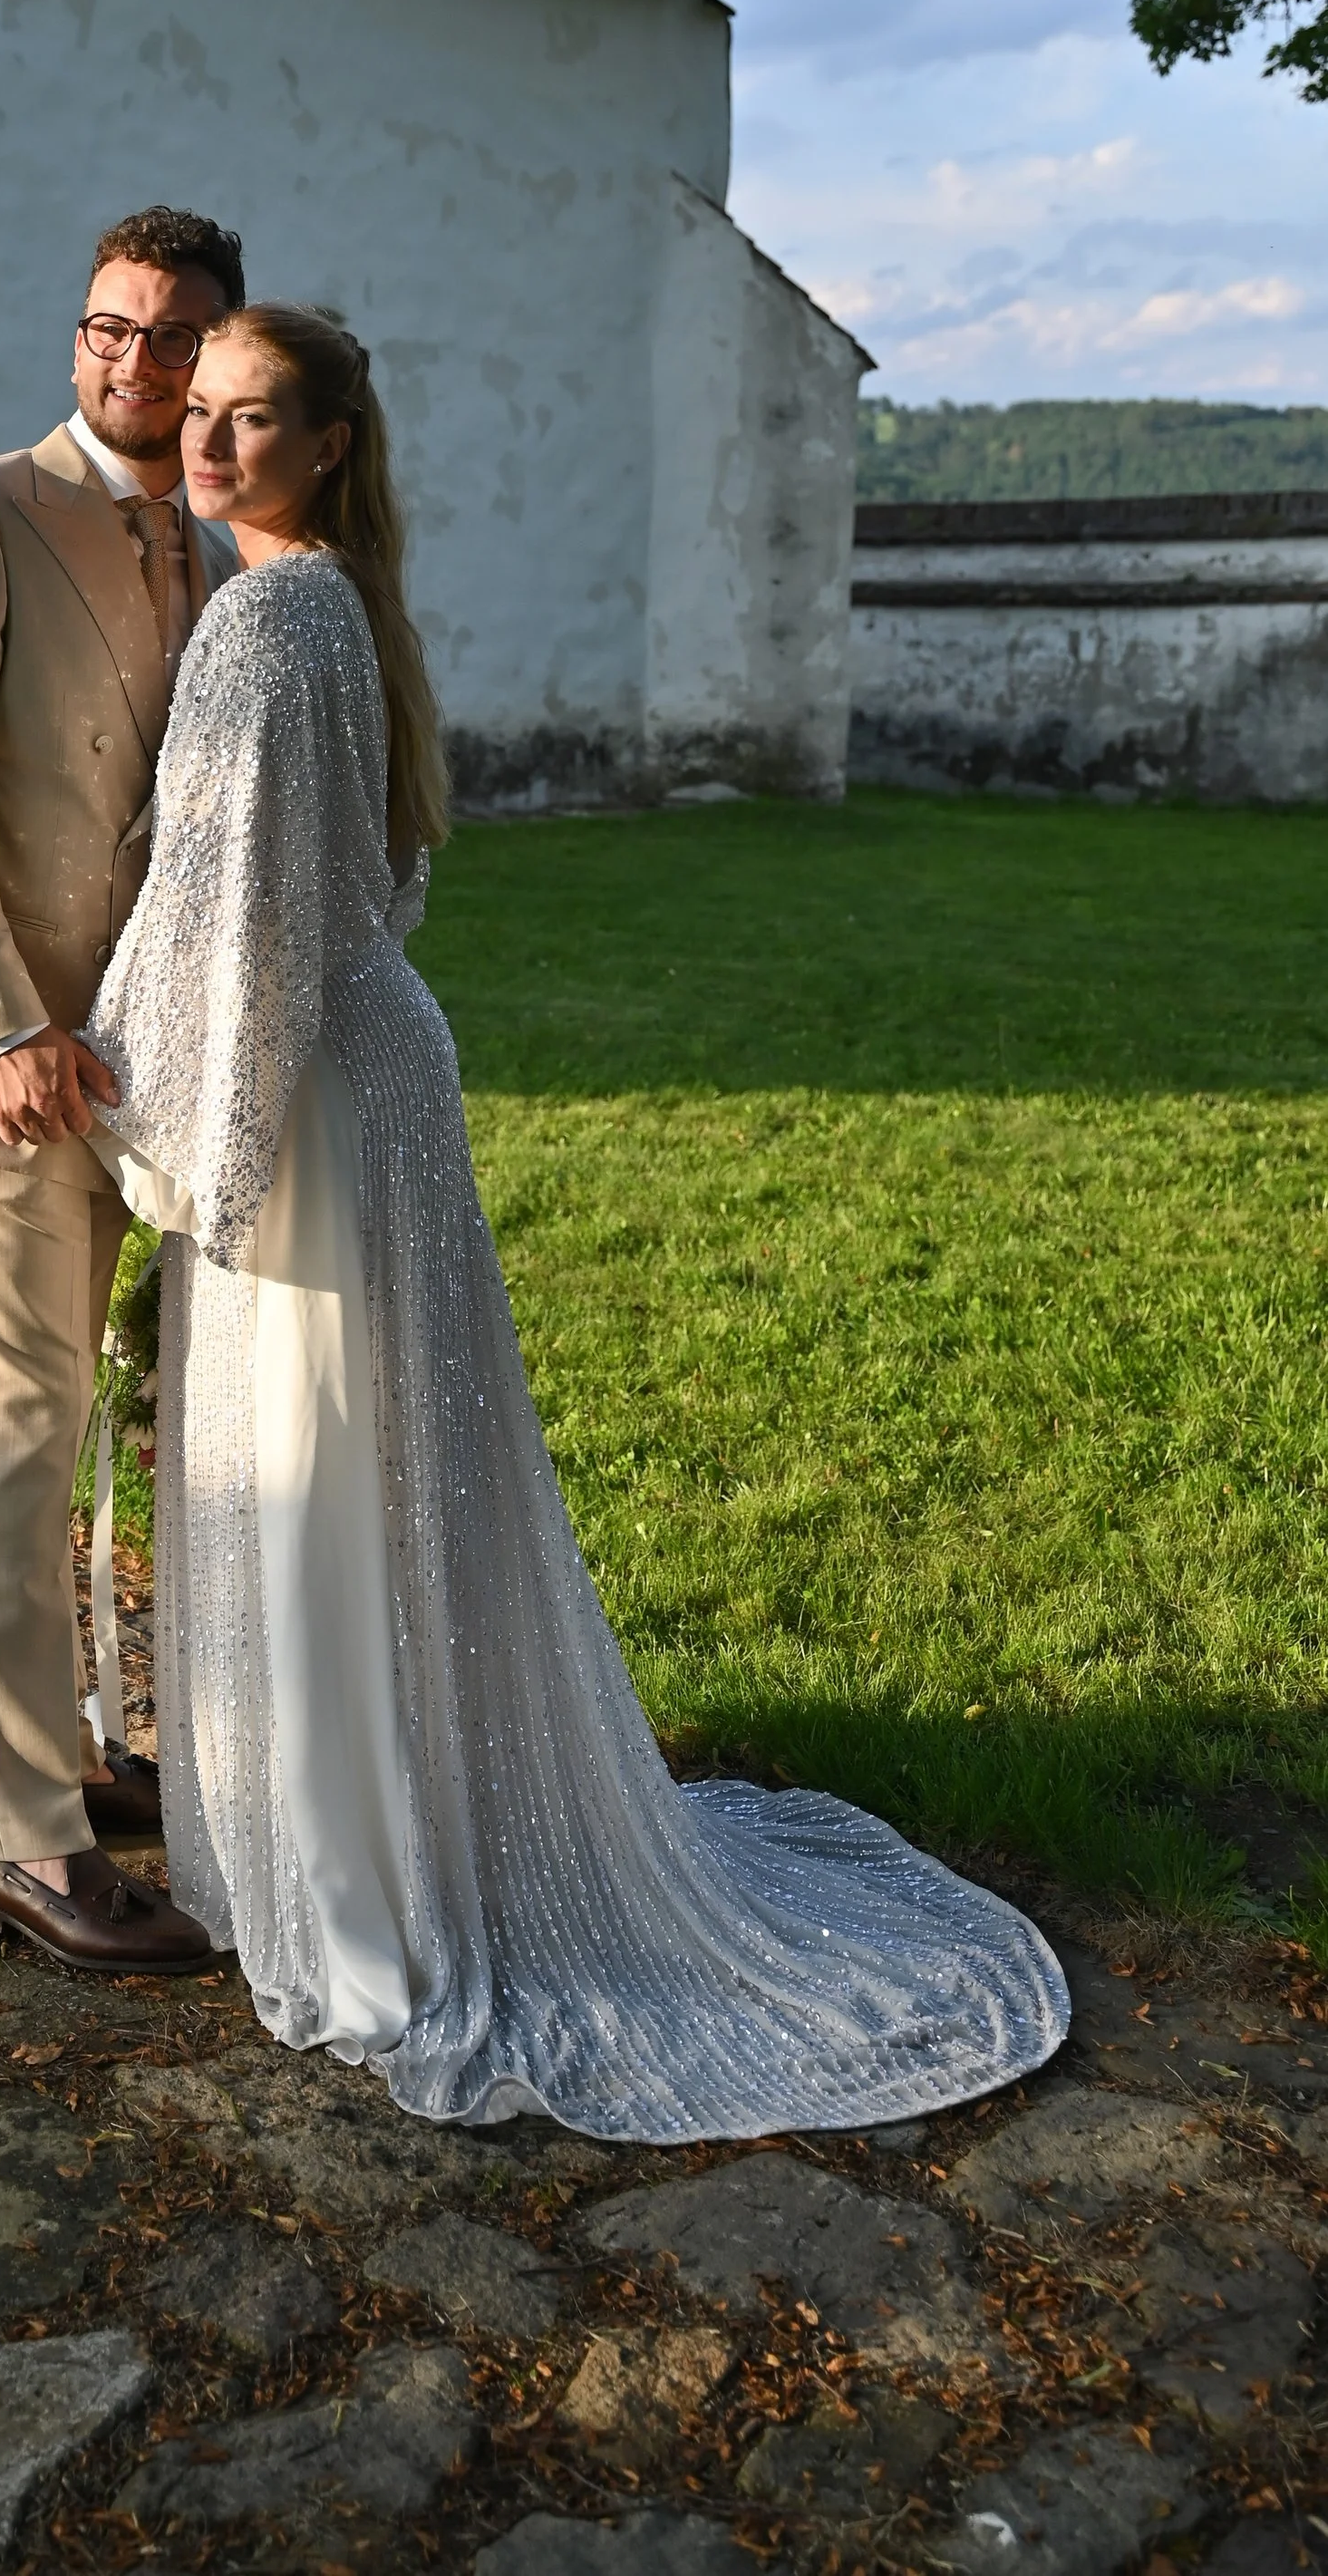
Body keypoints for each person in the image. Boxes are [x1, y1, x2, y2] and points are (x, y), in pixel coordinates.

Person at [82, 305, 1070, 2134]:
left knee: (315, 1466)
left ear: (327, 444)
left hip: (300, 1089)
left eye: (249, 419)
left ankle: (363, 1888)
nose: (207, 444)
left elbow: (242, 922)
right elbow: (337, 891)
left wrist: (123, 1092)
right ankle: (396, 1829)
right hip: (369, 1064)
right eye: (196, 414)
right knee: (380, 1468)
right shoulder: (347, 611)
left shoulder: (263, 618)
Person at [0, 207, 244, 1976]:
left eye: (165, 340)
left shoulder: (222, 549)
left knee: (75, 1426)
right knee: (6, 1438)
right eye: (105, 327)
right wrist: (3, 1028)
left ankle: (63, 1759)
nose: (127, 363)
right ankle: (16, 1835)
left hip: (131, 1063)